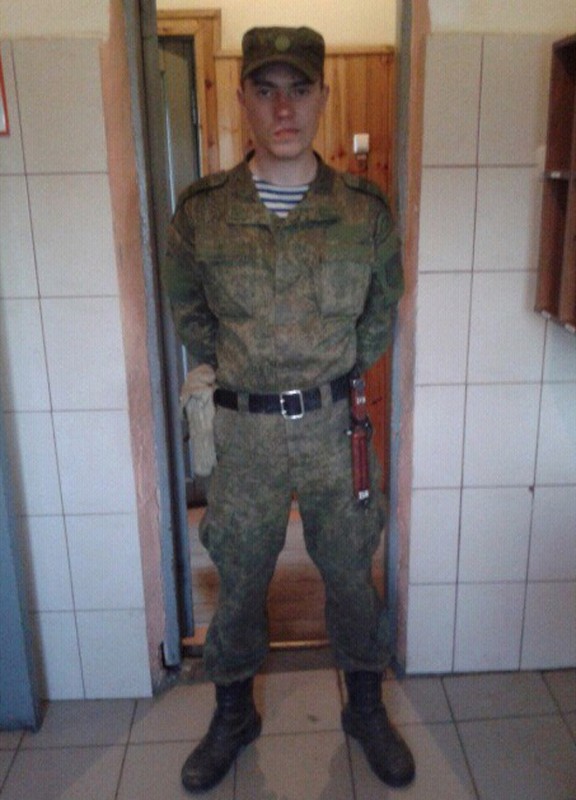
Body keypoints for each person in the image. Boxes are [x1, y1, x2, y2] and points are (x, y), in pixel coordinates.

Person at [162, 25, 415, 793]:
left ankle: (364, 708)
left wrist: (329, 376)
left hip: (336, 430)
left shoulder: (363, 210)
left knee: (350, 573)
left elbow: (380, 310)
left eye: (299, 89)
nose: (283, 108)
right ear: (241, 97)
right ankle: (234, 714)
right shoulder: (203, 211)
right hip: (244, 433)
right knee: (239, 577)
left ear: (322, 98)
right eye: (266, 90)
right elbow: (189, 311)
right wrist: (248, 377)